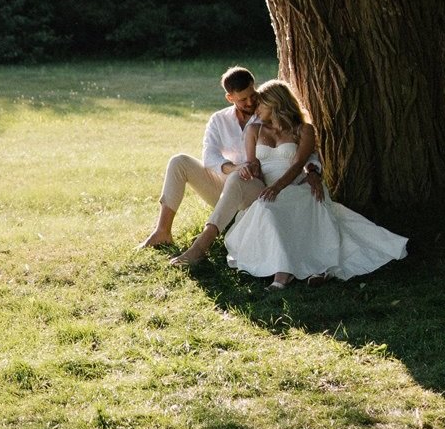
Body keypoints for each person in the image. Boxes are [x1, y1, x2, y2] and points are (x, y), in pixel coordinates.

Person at [223, 80, 408, 288]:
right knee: (267, 208)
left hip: (296, 184)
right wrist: (252, 170)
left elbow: (298, 164)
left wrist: (282, 185)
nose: (256, 108)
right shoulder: (255, 129)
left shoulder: (304, 130)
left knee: (283, 204)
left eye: (261, 104)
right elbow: (253, 162)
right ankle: (286, 269)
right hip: (268, 187)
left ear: (276, 104)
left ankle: (285, 273)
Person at [138, 66, 272, 256]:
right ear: (230, 98)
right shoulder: (219, 119)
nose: (250, 102)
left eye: (252, 94)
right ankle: (163, 231)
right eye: (243, 99)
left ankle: (203, 244)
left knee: (236, 179)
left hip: (256, 189)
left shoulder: (267, 115)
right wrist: (233, 168)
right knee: (179, 162)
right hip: (224, 187)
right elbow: (209, 157)